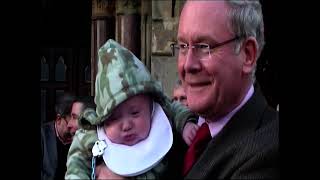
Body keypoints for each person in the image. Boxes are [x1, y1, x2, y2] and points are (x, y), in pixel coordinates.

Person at [172, 0, 279, 179]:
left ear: (248, 54)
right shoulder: (177, 127)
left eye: (204, 47)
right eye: (183, 46)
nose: (188, 64)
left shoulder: (268, 152)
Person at [65, 39, 199, 179]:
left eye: (135, 113)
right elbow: (76, 165)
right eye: (114, 118)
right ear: (102, 120)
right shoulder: (91, 135)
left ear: (151, 106)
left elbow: (173, 108)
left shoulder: (162, 117)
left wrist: (186, 124)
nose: (127, 125)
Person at [41, 93, 75, 180]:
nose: (74, 127)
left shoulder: (80, 136)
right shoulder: (43, 135)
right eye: (70, 122)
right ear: (59, 119)